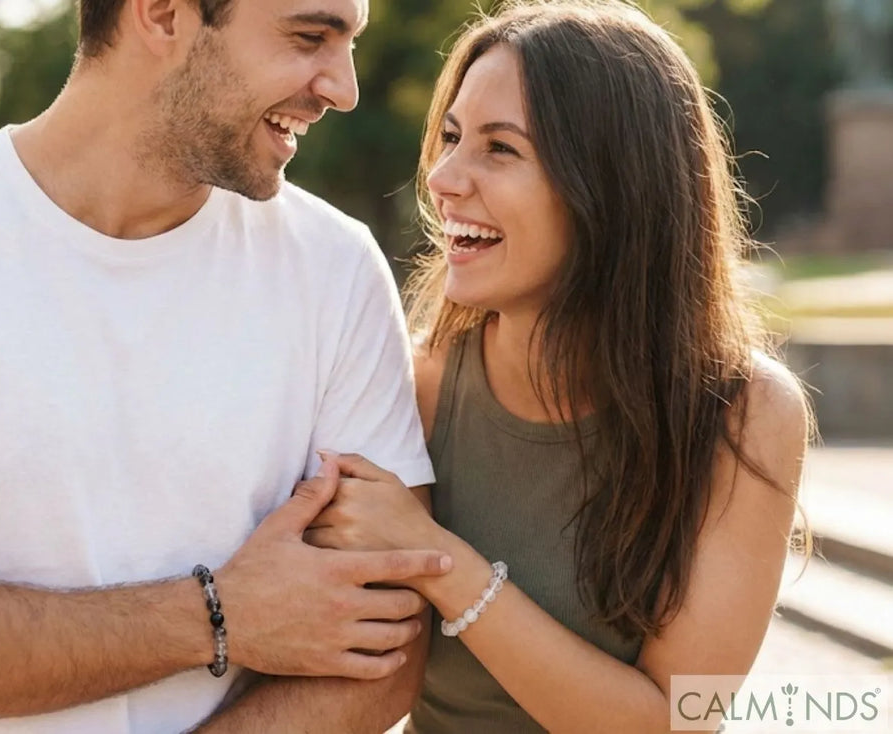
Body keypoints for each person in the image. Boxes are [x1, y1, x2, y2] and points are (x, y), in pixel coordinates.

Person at [0, 1, 452, 732]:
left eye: (349, 43)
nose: (344, 87)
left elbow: (385, 648)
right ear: (165, 15)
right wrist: (218, 614)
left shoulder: (336, 268)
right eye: (309, 37)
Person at [304, 1, 813, 731]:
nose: (444, 177)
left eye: (499, 148)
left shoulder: (745, 413)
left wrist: (442, 562)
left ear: (613, 185)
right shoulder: (413, 388)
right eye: (449, 138)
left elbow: (675, 718)